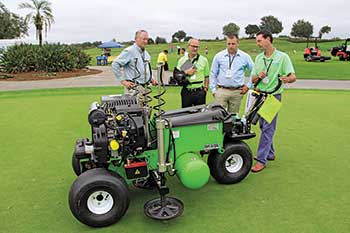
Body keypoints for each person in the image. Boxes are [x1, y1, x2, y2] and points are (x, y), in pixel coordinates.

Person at [250, 30, 296, 172]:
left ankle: (261, 160)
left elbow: (293, 76)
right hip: (260, 96)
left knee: (268, 128)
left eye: (259, 40)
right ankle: (270, 153)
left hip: (273, 97)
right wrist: (259, 76)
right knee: (263, 126)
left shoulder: (282, 57)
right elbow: (252, 80)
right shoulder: (258, 58)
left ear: (268, 39)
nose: (257, 43)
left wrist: (287, 79)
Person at [209, 34, 254, 114]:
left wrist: (248, 86)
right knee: (219, 115)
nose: (231, 46)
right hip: (222, 90)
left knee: (233, 117)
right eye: (229, 44)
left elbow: (253, 71)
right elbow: (213, 73)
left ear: (238, 43)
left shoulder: (245, 57)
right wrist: (213, 90)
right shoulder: (219, 56)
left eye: (233, 44)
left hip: (237, 91)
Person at [112, 30, 157, 105]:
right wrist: (123, 81)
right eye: (144, 39)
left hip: (145, 88)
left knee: (145, 112)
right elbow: (115, 64)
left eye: (147, 39)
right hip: (134, 88)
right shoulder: (129, 51)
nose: (146, 41)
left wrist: (151, 78)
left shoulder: (146, 53)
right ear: (136, 39)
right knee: (134, 112)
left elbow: (145, 68)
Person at [176, 38, 210, 108]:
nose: (195, 49)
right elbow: (177, 75)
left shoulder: (204, 60)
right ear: (188, 46)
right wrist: (186, 72)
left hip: (199, 92)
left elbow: (207, 76)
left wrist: (206, 88)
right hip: (187, 91)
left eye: (197, 47)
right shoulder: (182, 60)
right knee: (186, 115)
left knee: (200, 115)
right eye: (193, 46)